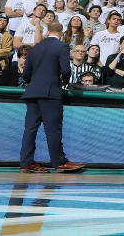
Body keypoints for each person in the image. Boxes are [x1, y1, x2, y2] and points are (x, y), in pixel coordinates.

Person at [18, 21, 85, 174]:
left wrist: (34, 82)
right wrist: (64, 81)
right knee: (53, 129)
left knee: (30, 129)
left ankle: (26, 162)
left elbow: (26, 74)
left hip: (33, 92)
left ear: (47, 32)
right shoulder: (61, 46)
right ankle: (59, 162)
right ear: (61, 33)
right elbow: (66, 70)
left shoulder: (35, 48)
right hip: (50, 92)